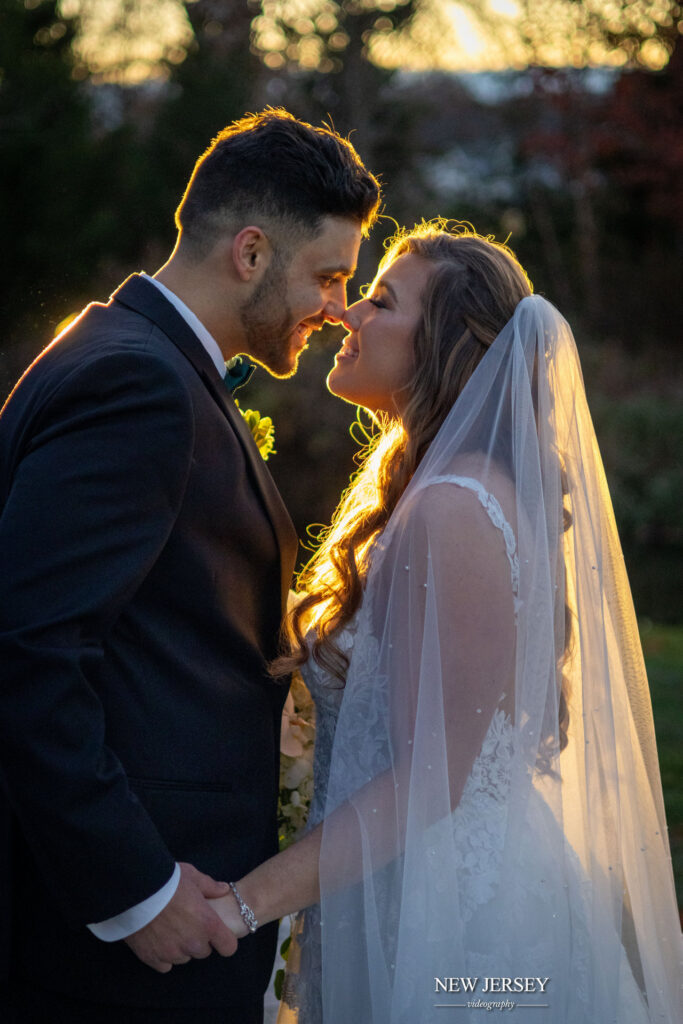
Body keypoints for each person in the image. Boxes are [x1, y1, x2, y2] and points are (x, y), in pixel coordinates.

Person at [212, 221, 682, 1023]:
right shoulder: (440, 490)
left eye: (381, 301)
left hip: (457, 937)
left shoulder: (453, 509)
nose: (347, 315)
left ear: (445, 347)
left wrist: (242, 905)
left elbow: (428, 781)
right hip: (401, 892)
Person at [0, 108, 380, 1023]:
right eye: (327, 277)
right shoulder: (138, 385)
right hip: (121, 943)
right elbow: (29, 652)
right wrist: (134, 890)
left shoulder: (123, 354)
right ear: (250, 252)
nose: (338, 311)